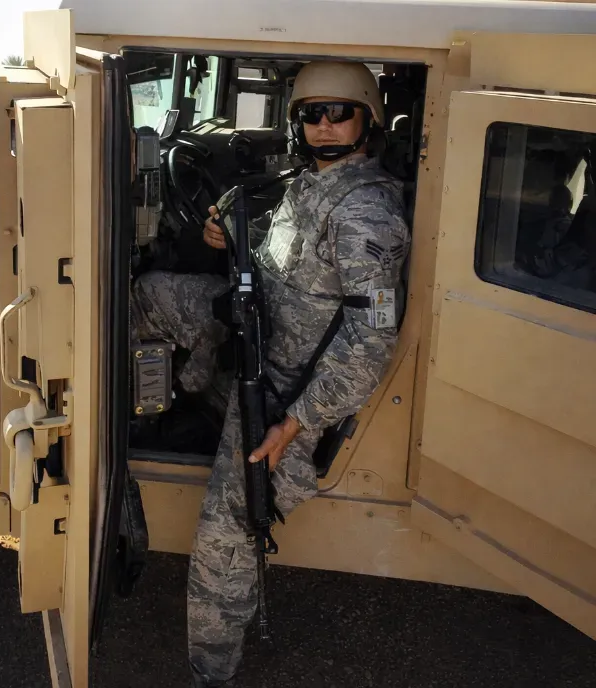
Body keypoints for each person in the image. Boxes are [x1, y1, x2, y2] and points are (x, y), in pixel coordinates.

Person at [131, 60, 411, 687]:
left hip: (286, 385)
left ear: (367, 120)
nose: (324, 125)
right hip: (254, 326)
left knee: (225, 538)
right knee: (148, 295)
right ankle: (153, 408)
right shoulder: (313, 182)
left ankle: (212, 668)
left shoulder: (366, 210)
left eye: (339, 112)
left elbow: (370, 339)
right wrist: (230, 237)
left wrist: (295, 423)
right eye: (311, 114)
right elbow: (290, 258)